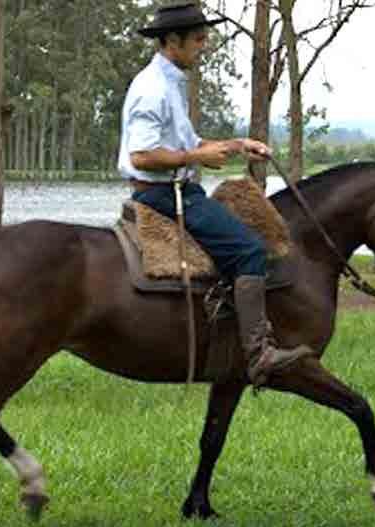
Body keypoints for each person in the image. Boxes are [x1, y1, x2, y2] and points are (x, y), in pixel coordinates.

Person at [118, 2, 306, 387]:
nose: (204, 46)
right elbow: (142, 155)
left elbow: (184, 143)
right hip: (165, 195)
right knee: (249, 250)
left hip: (178, 187)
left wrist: (238, 145)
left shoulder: (170, 81)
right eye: (199, 39)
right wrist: (196, 156)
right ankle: (259, 354)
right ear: (173, 40)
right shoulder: (152, 88)